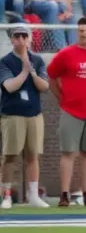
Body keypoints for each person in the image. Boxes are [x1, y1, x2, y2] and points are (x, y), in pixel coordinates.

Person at [46, 17, 86, 207]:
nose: (84, 34)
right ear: (77, 32)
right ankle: (65, 194)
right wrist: (61, 98)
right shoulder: (66, 54)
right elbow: (52, 76)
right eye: (81, 30)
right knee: (68, 153)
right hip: (71, 111)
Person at [0, 23, 50, 209]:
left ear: (29, 39)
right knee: (10, 156)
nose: (21, 40)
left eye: (24, 36)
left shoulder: (37, 60)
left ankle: (34, 195)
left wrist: (33, 71)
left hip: (34, 114)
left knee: (32, 156)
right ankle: (6, 196)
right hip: (12, 115)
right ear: (12, 39)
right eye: (17, 36)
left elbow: (44, 86)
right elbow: (9, 86)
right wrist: (24, 71)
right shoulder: (5, 61)